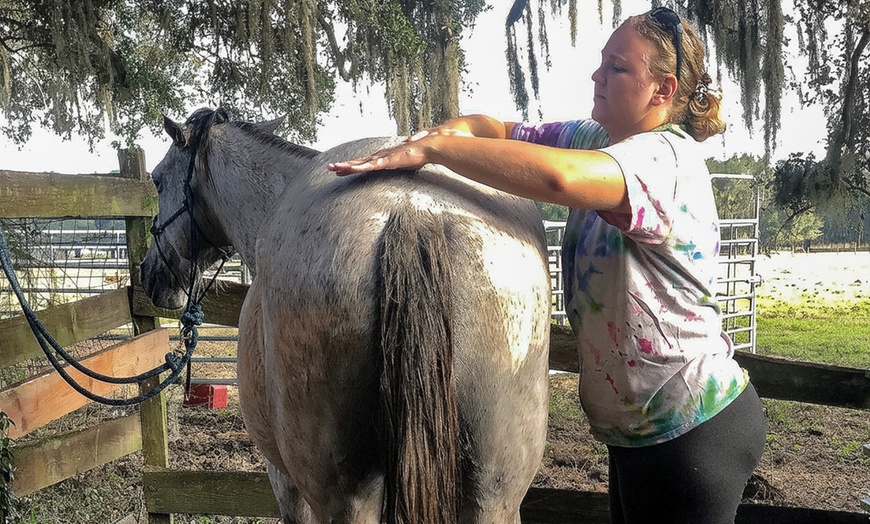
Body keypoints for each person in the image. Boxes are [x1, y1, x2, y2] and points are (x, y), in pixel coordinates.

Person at [328, 7, 766, 524]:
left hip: (691, 433)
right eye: (602, 63)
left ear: (663, 90)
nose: (597, 76)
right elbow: (497, 130)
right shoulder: (595, 140)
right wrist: (453, 130)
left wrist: (436, 151)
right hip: (641, 432)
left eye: (618, 68)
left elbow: (559, 181)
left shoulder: (664, 160)